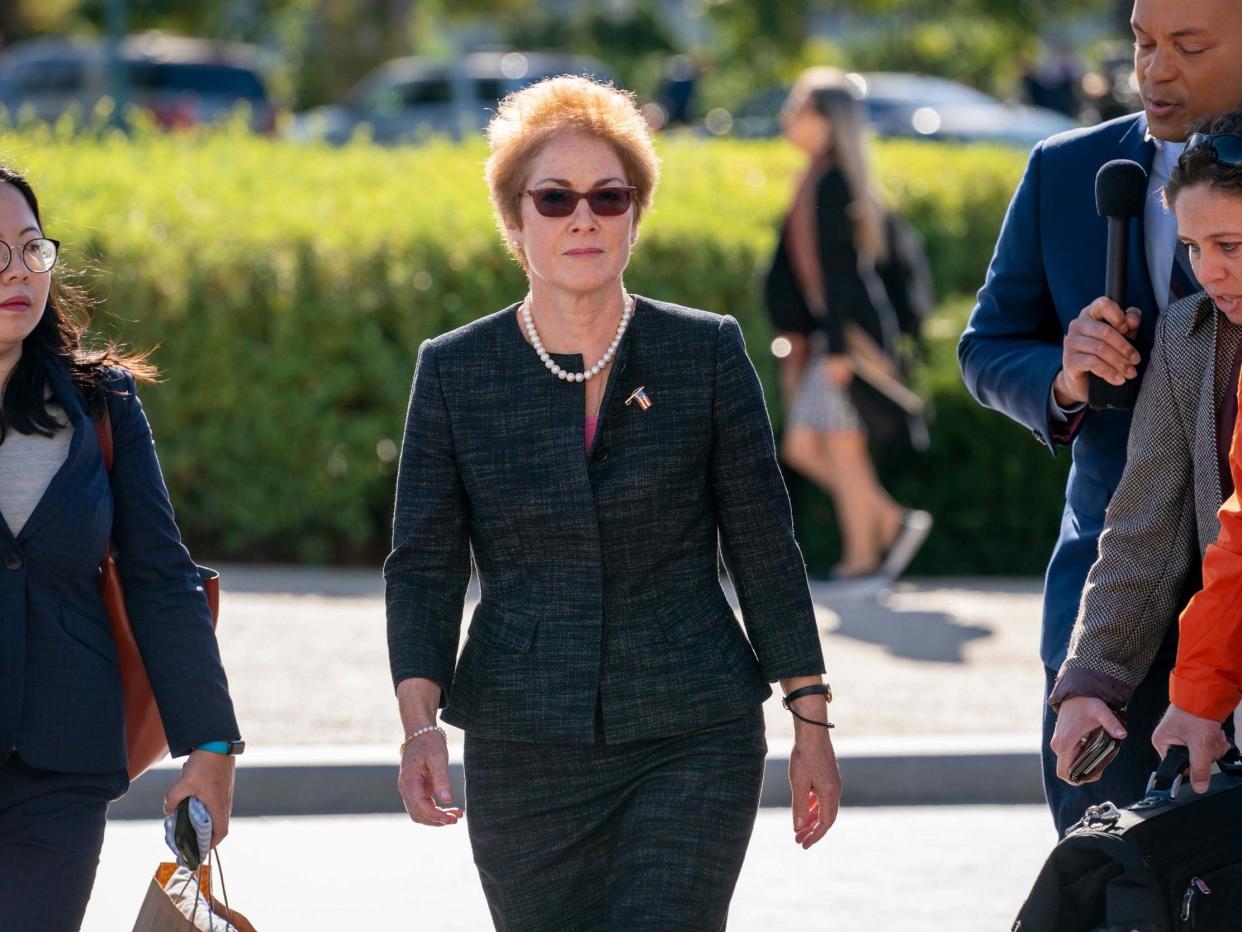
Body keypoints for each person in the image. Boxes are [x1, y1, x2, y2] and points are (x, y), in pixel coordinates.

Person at [385, 75, 842, 931]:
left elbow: (762, 542)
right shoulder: (456, 370)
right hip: (523, 740)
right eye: (554, 199)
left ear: (636, 213)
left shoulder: (704, 352)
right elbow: (424, 564)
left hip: (694, 730)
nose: (583, 218)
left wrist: (809, 716)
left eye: (609, 196)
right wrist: (419, 727)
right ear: (515, 222)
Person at [958, 0, 1242, 834]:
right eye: (1143, 44)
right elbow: (986, 346)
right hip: (1117, 590)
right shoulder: (1063, 168)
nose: (1156, 69)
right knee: (1114, 877)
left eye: (1189, 46)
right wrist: (1067, 377)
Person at [0, 165, 242, 931]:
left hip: (59, 765)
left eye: (32, 247)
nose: (18, 271)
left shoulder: (103, 402)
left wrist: (210, 746)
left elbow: (161, 579)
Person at [1047, 118, 1242, 793]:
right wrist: (1091, 678)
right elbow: (1142, 526)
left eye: (1231, 245)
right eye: (1192, 245)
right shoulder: (1188, 340)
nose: (1208, 271)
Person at [766, 67, 932, 582]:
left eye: (798, 108)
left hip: (850, 338)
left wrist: (838, 348)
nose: (788, 118)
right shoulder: (818, 174)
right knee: (806, 445)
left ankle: (863, 559)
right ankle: (889, 521)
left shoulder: (833, 178)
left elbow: (841, 272)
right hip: (834, 335)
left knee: (839, 444)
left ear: (826, 120)